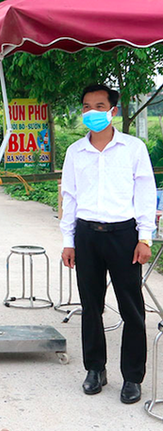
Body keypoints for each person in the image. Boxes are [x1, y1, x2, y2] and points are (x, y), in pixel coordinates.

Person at [60, 84, 155, 404]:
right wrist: (68, 241)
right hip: (87, 235)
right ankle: (95, 369)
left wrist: (144, 237)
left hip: (123, 235)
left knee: (132, 308)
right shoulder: (75, 151)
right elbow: (69, 198)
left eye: (100, 106)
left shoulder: (133, 148)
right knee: (90, 307)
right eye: (87, 107)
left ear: (112, 110)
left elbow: (144, 194)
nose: (92, 113)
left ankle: (132, 377)